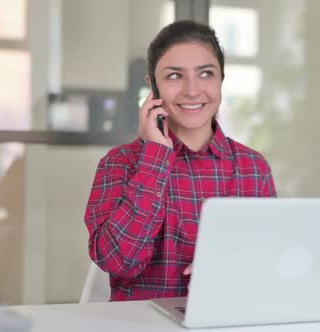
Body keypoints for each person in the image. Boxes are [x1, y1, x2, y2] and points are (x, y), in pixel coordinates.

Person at [84, 20, 277, 301]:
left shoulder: (253, 168)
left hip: (227, 318)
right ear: (154, 87)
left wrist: (233, 267)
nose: (192, 90)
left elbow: (269, 260)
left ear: (221, 79)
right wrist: (155, 157)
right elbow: (119, 263)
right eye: (174, 76)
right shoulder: (120, 163)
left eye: (206, 74)